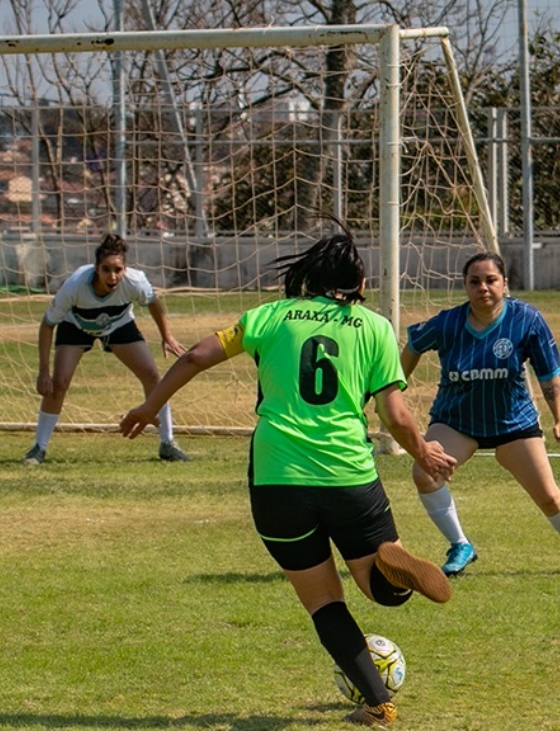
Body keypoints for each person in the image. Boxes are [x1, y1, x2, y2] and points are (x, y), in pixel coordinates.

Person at [121, 229, 457, 727]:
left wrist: (152, 406)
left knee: (323, 601)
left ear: (310, 277)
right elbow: (394, 413)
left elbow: (193, 355)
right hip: (348, 473)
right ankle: (394, 568)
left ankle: (378, 704)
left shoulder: (270, 316)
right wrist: (424, 452)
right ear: (359, 281)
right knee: (380, 590)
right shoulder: (373, 326)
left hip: (277, 478)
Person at [401, 252, 560, 578]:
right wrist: (395, 387)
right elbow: (414, 343)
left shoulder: (526, 320)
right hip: (457, 421)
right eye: (474, 282)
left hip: (514, 424)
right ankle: (460, 544)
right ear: (465, 286)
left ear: (505, 284)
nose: (483, 287)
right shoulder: (448, 323)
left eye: (490, 280)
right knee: (424, 472)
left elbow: (549, 375)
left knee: (549, 497)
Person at [24, 233, 190, 465]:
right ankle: (38, 448)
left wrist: (166, 336)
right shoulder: (74, 286)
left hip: (118, 323)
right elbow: (47, 325)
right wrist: (43, 371)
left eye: (118, 270)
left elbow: (153, 302)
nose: (112, 276)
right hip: (76, 325)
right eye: (106, 270)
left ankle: (168, 443)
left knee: (152, 376)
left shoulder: (135, 282)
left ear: (125, 268)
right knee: (58, 383)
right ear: (96, 269)